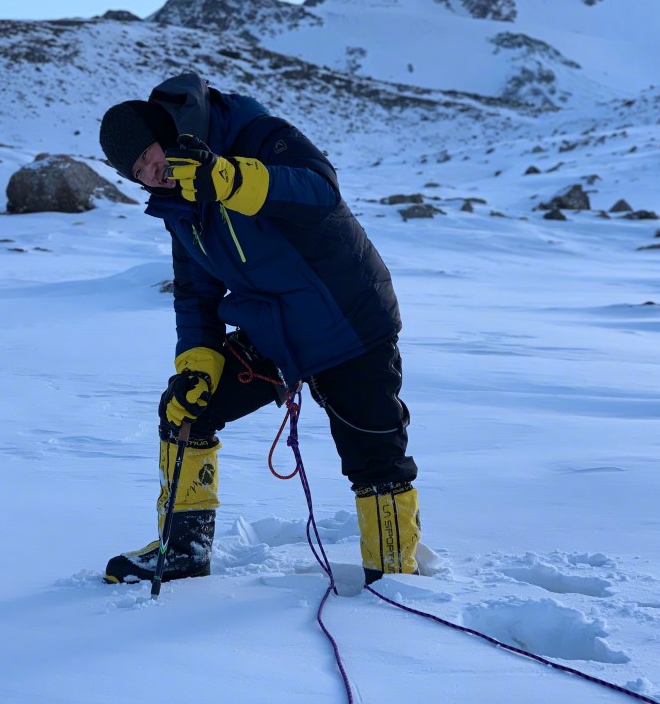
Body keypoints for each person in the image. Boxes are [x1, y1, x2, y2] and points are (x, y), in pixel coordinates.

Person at [98, 71, 420, 586]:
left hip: (345, 318)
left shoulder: (258, 135)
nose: (150, 173)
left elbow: (320, 191)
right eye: (137, 171)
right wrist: (196, 363)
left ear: (168, 132)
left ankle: (394, 573)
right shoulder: (179, 205)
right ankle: (183, 549)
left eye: (149, 155)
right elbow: (195, 294)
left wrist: (231, 179)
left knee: (374, 453)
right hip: (273, 331)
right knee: (186, 407)